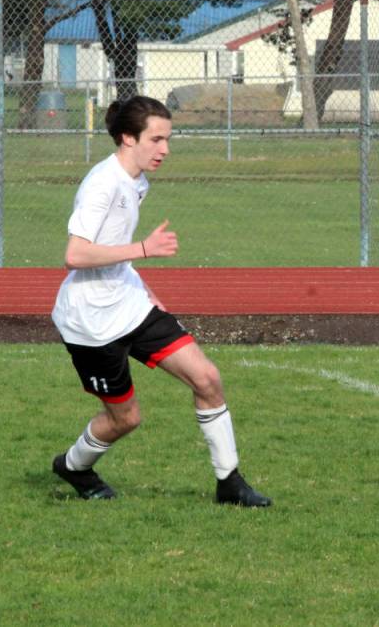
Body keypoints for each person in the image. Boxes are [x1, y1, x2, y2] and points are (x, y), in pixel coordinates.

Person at [50, 95, 271, 508]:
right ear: (128, 138)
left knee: (207, 378)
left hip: (129, 304)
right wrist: (144, 249)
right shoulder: (103, 184)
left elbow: (113, 247)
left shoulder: (137, 182)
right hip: (91, 322)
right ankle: (74, 466)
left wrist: (144, 287)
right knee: (125, 419)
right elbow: (75, 255)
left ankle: (230, 483)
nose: (165, 149)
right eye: (157, 139)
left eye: (168, 139)